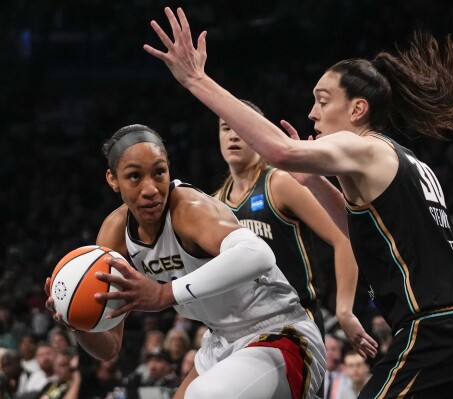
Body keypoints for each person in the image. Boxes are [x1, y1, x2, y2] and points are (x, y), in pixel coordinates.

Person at [144, 6, 453, 397]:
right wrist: (315, 182)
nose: (312, 112)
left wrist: (197, 80)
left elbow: (279, 151)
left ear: (357, 109)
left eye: (322, 100)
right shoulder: (407, 162)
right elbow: (359, 229)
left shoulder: (363, 145)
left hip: (438, 331)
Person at [44, 123, 326, 399]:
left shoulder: (189, 208)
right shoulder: (114, 235)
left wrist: (164, 293)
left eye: (159, 173)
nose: (151, 188)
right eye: (134, 177)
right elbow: (110, 348)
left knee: (204, 395)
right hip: (221, 342)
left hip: (281, 334)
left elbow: (259, 254)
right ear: (112, 179)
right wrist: (77, 322)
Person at [214, 100, 377, 356]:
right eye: (225, 128)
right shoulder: (216, 204)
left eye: (240, 127)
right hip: (242, 329)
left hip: (295, 323)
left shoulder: (279, 182)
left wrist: (344, 310)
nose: (233, 135)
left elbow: (344, 236)